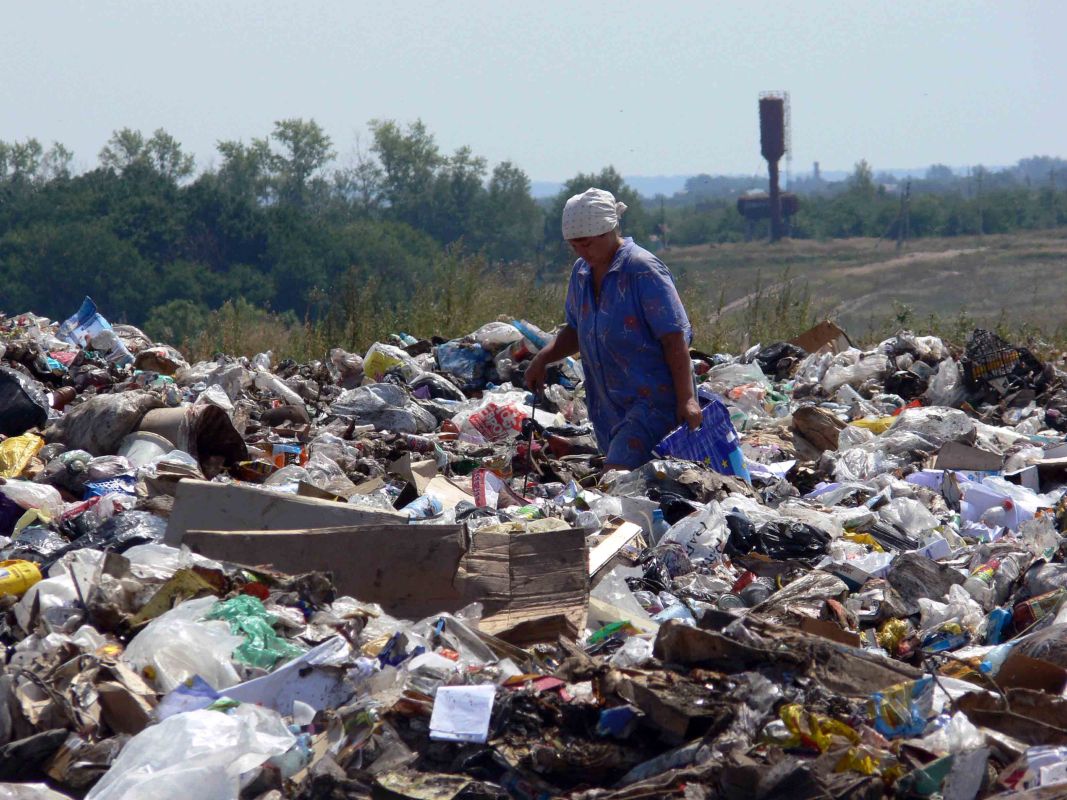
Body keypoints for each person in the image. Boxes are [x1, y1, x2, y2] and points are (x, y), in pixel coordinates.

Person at [525, 187, 701, 470]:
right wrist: (543, 358)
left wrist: (688, 399)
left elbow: (674, 337)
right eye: (574, 246)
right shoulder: (581, 274)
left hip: (653, 403)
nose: (582, 252)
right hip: (609, 406)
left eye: (587, 243)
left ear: (609, 231)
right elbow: (576, 330)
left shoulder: (642, 270)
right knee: (638, 488)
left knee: (616, 480)